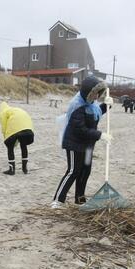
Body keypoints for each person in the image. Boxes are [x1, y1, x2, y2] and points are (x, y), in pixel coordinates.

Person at [51, 76, 110, 208]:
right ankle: (57, 200)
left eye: (98, 94)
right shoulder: (77, 105)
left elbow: (97, 112)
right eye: (94, 93)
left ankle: (80, 199)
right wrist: (100, 135)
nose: (96, 97)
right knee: (73, 171)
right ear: (88, 92)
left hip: (88, 146)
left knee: (85, 171)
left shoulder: (91, 105)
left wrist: (106, 105)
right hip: (74, 144)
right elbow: (81, 130)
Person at [0, 102, 34, 175]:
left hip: (17, 128)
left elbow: (4, 127)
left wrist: (6, 139)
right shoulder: (15, 110)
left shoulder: (3, 113)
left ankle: (11, 170)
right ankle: (25, 169)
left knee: (10, 147)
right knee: (23, 145)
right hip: (29, 129)